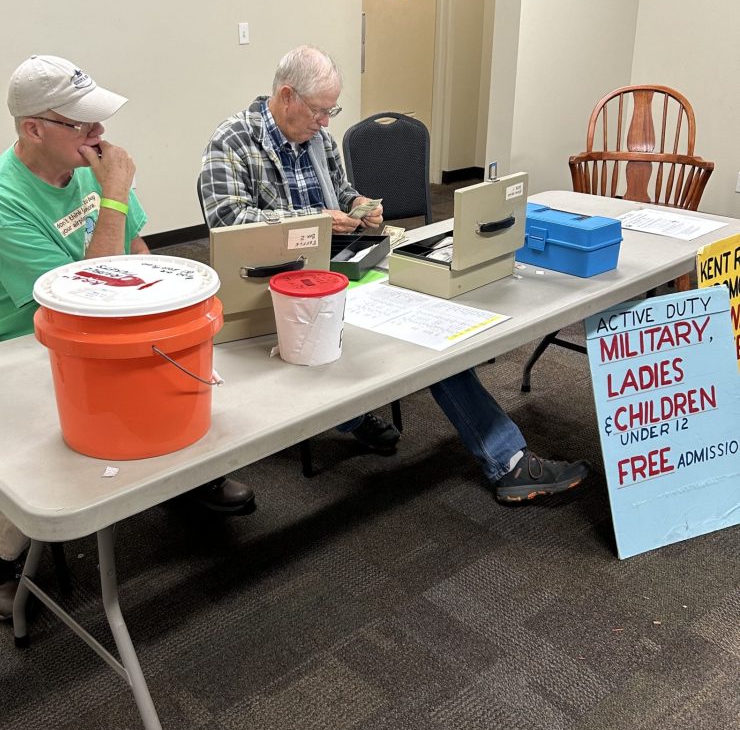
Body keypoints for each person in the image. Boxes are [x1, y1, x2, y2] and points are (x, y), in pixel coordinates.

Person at [199, 44, 589, 503]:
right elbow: (227, 222)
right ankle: (505, 459)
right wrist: (314, 222)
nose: (326, 123)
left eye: (331, 112)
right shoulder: (232, 142)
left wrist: (359, 206)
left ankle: (354, 410)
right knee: (416, 338)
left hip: (338, 273)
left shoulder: (317, 139)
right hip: (274, 294)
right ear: (287, 96)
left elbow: (342, 191)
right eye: (320, 111)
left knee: (432, 328)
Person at [0, 54, 253, 622]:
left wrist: (162, 317)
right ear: (34, 129)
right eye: (81, 124)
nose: (99, 133)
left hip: (113, 321)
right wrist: (115, 196)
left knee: (188, 372)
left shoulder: (88, 168)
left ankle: (183, 480)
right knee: (49, 437)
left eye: (98, 120)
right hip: (29, 342)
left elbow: (138, 254)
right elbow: (81, 300)